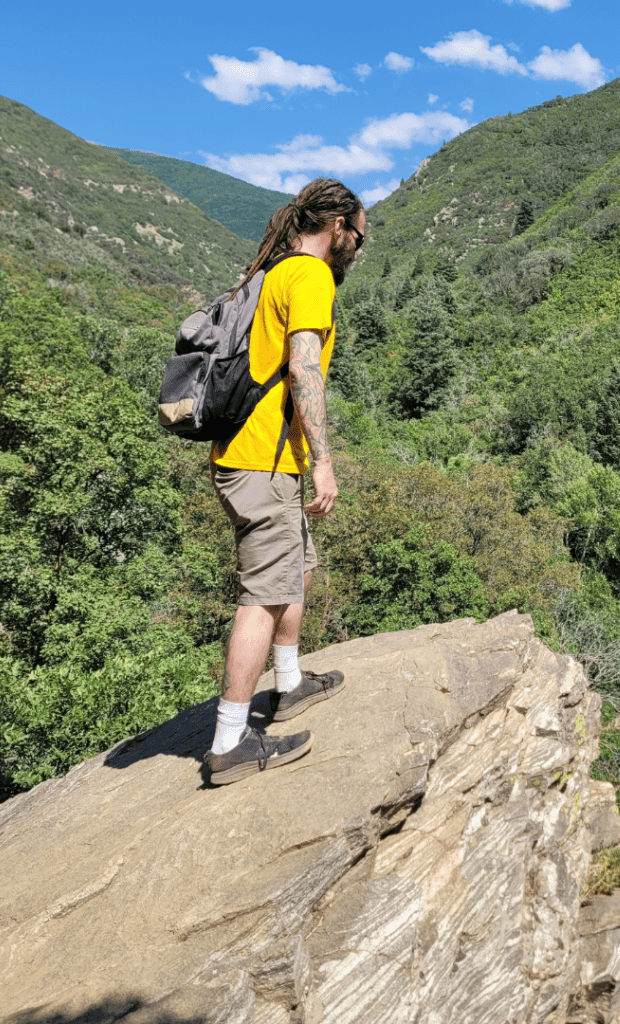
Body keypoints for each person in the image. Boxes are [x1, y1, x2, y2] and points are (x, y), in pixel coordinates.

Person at [203, 178, 366, 786]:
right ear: (337, 226)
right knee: (264, 595)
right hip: (263, 461)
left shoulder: (273, 272)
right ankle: (229, 742)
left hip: (256, 456)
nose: (357, 249)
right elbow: (303, 369)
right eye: (358, 237)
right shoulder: (311, 274)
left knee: (295, 567)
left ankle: (290, 682)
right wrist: (324, 459)